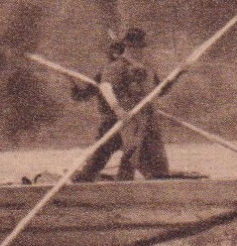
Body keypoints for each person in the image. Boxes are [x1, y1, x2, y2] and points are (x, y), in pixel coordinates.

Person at [72, 27, 172, 181]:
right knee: (97, 162)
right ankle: (90, 183)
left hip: (143, 122)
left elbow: (160, 90)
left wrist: (178, 74)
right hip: (117, 121)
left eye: (140, 47)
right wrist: (117, 109)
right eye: (133, 47)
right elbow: (105, 87)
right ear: (127, 47)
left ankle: (140, 184)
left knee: (155, 165)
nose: (138, 51)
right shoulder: (115, 67)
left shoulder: (148, 69)